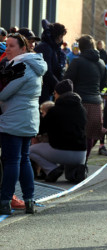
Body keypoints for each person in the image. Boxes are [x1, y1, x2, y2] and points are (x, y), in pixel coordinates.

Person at [0, 33, 47, 215]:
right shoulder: (34, 64)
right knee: (24, 159)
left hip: (14, 118)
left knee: (12, 160)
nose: (8, 49)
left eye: (12, 46)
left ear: (23, 48)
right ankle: (29, 200)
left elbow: (4, 94)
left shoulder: (22, 66)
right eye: (6, 45)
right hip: (28, 118)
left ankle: (5, 201)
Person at [29, 79, 87, 182]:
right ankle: (78, 170)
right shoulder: (82, 110)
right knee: (70, 177)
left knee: (29, 151)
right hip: (81, 153)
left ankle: (51, 170)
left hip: (60, 151)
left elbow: (40, 129)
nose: (54, 96)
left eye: (55, 93)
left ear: (59, 94)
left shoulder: (54, 111)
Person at [63, 35, 107, 159]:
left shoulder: (77, 62)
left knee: (76, 134)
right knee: (90, 135)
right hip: (96, 103)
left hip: (79, 103)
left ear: (81, 47)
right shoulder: (102, 62)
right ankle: (83, 162)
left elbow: (67, 81)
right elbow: (104, 84)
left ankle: (74, 163)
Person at [34, 19, 67, 104]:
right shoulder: (46, 48)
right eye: (62, 36)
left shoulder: (52, 48)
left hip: (47, 89)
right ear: (59, 36)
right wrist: (58, 86)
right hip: (42, 90)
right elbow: (47, 72)